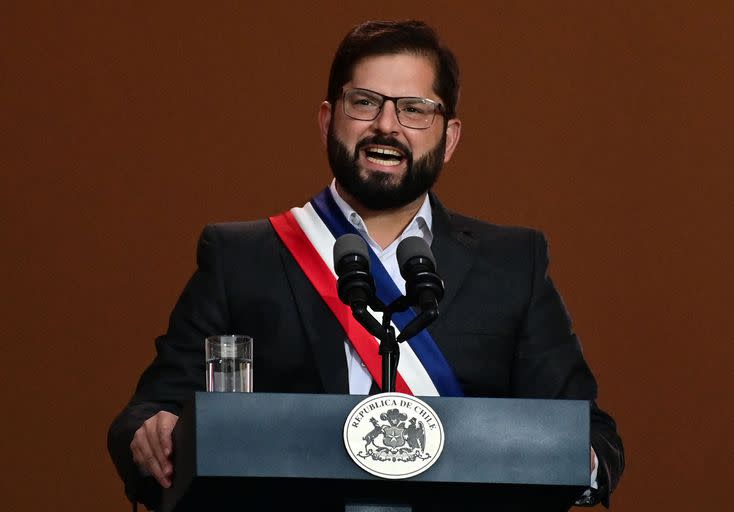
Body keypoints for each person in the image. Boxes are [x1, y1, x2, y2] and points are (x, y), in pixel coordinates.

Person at [108, 20, 624, 510]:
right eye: (365, 102)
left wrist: (581, 463)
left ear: (450, 137)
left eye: (415, 109)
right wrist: (150, 432)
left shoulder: (514, 264)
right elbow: (150, 410)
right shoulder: (242, 257)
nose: (386, 126)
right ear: (328, 119)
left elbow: (591, 434)